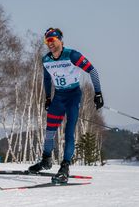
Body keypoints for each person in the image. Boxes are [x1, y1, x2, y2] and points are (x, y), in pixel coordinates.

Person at [28, 27, 104, 183]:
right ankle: (46, 160)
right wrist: (48, 97)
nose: (50, 43)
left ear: (60, 40)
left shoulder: (72, 55)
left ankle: (64, 168)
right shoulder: (46, 60)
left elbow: (93, 71)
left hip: (73, 96)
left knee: (69, 133)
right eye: (47, 41)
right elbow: (47, 79)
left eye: (53, 40)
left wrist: (98, 93)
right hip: (59, 98)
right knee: (49, 132)